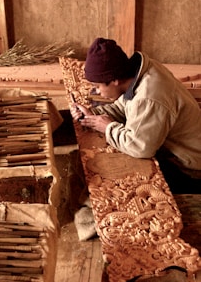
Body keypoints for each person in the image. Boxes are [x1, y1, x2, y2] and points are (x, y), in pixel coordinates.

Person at [71, 37, 201, 194]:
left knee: (134, 186)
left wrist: (108, 128)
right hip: (177, 152)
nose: (97, 92)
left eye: (97, 87)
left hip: (192, 169)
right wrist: (93, 114)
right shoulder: (140, 74)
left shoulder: (149, 97)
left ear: (114, 80)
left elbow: (140, 148)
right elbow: (125, 107)